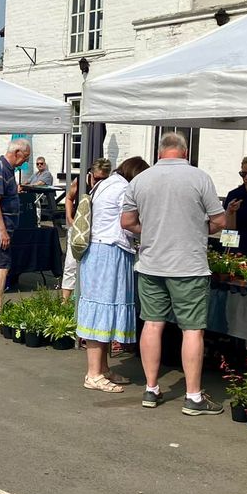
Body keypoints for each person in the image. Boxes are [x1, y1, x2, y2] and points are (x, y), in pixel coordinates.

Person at [121, 132, 227, 415]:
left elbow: (127, 221)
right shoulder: (199, 177)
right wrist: (196, 229)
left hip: (151, 263)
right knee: (192, 330)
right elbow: (220, 220)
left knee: (152, 324)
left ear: (159, 153)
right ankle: (193, 396)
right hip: (188, 265)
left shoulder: (140, 180)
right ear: (185, 151)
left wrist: (153, 230)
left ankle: (151, 389)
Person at [77, 156, 150, 393]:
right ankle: (94, 374)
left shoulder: (107, 183)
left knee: (104, 309)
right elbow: (128, 223)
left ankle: (103, 368)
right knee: (103, 308)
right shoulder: (122, 188)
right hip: (108, 252)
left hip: (101, 251)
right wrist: (152, 232)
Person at [0, 138, 32, 320]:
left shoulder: (5, 170)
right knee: (2, 266)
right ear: (17, 152)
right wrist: (2, 230)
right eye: (25, 157)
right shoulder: (0, 169)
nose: (26, 161)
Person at [61, 159, 111, 301]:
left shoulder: (109, 186)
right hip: (79, 227)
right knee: (71, 263)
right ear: (91, 174)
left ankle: (86, 297)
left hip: (96, 229)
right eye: (97, 178)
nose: (99, 181)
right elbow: (69, 198)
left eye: (104, 178)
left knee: (91, 264)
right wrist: (69, 218)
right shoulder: (81, 180)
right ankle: (65, 301)